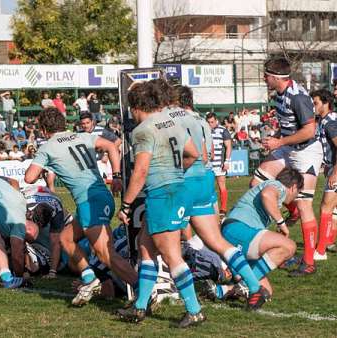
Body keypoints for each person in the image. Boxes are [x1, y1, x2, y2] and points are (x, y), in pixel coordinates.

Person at [115, 79, 204, 328]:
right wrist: (175, 173)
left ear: (135, 107)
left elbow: (140, 171)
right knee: (145, 248)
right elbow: (193, 153)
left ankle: (195, 310)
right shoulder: (173, 121)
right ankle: (140, 306)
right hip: (176, 189)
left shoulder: (143, 130)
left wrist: (126, 205)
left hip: (162, 194)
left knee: (172, 255)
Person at [24, 107, 132, 307]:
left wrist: (44, 165)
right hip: (102, 196)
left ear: (44, 129)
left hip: (90, 202)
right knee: (66, 238)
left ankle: (143, 292)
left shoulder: (47, 147)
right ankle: (91, 279)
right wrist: (116, 176)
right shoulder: (82, 136)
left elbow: (29, 177)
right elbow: (111, 145)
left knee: (106, 254)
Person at [176, 85, 270, 311]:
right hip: (205, 177)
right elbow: (206, 156)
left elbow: (192, 154)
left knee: (172, 238)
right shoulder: (201, 121)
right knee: (215, 240)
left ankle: (179, 300)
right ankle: (251, 284)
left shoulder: (177, 120)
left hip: (187, 179)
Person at [251, 57, 323, 277]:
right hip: (289, 147)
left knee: (304, 205)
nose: (264, 78)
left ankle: (309, 262)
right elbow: (289, 127)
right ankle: (289, 213)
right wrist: (275, 138)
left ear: (276, 77)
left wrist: (279, 142)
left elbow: (310, 131)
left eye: (266, 75)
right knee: (256, 182)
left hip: (307, 152)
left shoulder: (298, 97)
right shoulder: (280, 94)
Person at [214, 168, 302, 301]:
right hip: (237, 230)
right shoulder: (278, 186)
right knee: (289, 246)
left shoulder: (273, 188)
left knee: (266, 293)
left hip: (235, 234)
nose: (296, 197)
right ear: (293, 187)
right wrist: (282, 223)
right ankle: (243, 285)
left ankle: (221, 290)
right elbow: (267, 195)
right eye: (298, 192)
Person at [309, 89, 337, 258]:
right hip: (331, 167)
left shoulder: (329, 123)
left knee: (326, 207)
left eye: (316, 103)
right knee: (332, 209)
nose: (314, 106)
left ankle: (321, 251)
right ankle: (328, 242)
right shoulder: (325, 120)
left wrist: (335, 173)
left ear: (326, 103)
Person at [207, 113, 232, 218]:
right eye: (208, 122)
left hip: (219, 164)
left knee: (222, 186)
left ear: (216, 120)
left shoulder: (223, 131)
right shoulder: (206, 130)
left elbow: (229, 146)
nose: (210, 124)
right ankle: (210, 208)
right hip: (208, 164)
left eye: (212, 122)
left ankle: (223, 209)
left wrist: (227, 161)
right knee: (208, 187)